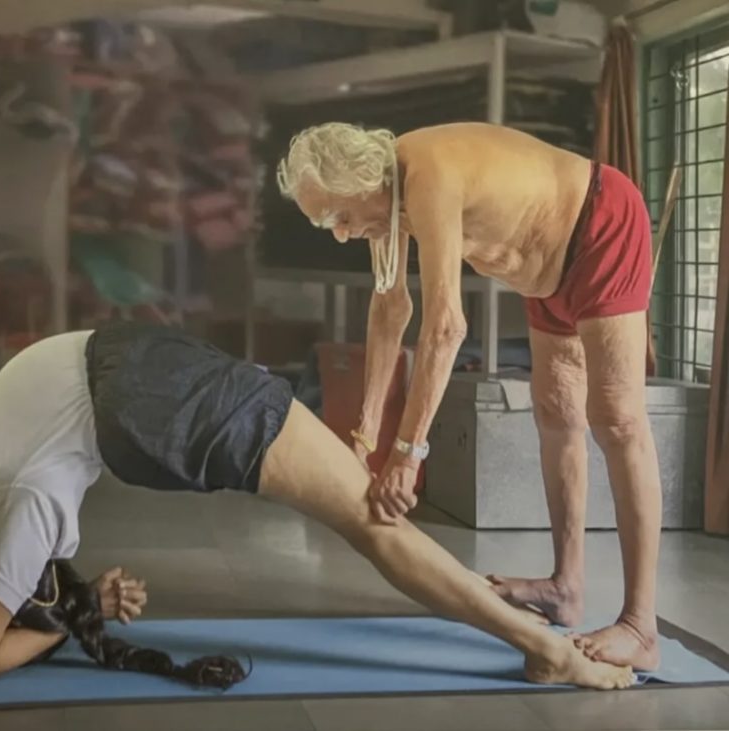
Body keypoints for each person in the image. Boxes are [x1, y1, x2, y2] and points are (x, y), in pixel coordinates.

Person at [0, 320, 634, 689]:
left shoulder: (10, 499)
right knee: (369, 518)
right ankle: (536, 639)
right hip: (136, 363)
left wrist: (68, 616)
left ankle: (543, 647)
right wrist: (76, 608)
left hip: (150, 392)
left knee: (372, 525)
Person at [277, 121, 661, 671]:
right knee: (556, 414)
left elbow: (445, 326)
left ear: (362, 182)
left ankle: (640, 626)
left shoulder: (427, 174)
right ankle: (565, 587)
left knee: (617, 420)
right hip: (547, 277)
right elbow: (391, 312)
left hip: (601, 227)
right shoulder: (384, 206)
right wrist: (363, 438)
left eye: (336, 216)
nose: (338, 233)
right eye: (323, 223)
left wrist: (408, 455)